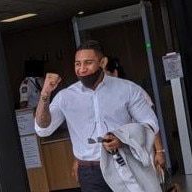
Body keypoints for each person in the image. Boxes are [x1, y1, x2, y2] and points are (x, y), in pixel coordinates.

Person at [35, 40, 162, 192]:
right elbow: (43, 128)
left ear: (102, 62)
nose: (82, 69)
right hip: (90, 171)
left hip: (125, 162)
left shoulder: (127, 89)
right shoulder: (65, 97)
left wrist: (123, 138)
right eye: (77, 64)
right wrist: (45, 95)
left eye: (88, 63)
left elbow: (150, 123)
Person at [71, 56, 166, 182]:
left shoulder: (133, 91)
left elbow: (151, 124)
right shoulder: (95, 98)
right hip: (107, 158)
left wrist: (159, 151)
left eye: (104, 74)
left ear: (114, 73)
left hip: (136, 151)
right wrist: (79, 159)